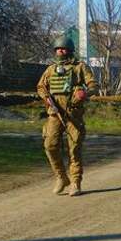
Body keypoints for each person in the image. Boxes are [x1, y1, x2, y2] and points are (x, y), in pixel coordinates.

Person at [36, 35, 98, 196]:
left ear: (70, 50)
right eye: (57, 49)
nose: (60, 51)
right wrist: (46, 98)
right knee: (50, 145)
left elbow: (93, 85)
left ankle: (75, 182)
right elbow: (41, 87)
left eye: (63, 49)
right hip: (55, 115)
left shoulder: (80, 67)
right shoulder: (50, 69)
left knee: (74, 149)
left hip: (74, 115)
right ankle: (61, 177)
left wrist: (83, 93)